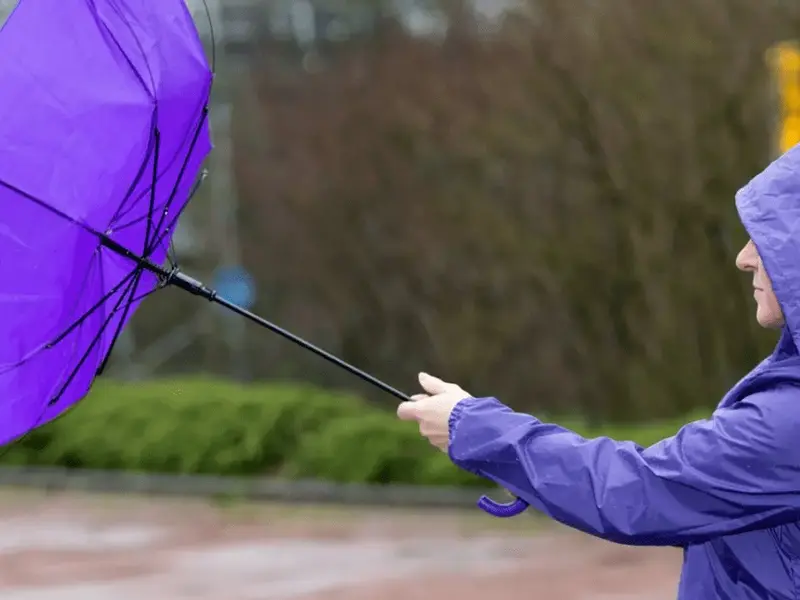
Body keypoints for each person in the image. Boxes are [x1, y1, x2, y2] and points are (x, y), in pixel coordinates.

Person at [397, 144, 800, 600]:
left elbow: (642, 491)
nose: (743, 258)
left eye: (767, 240)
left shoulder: (789, 421)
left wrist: (472, 427)